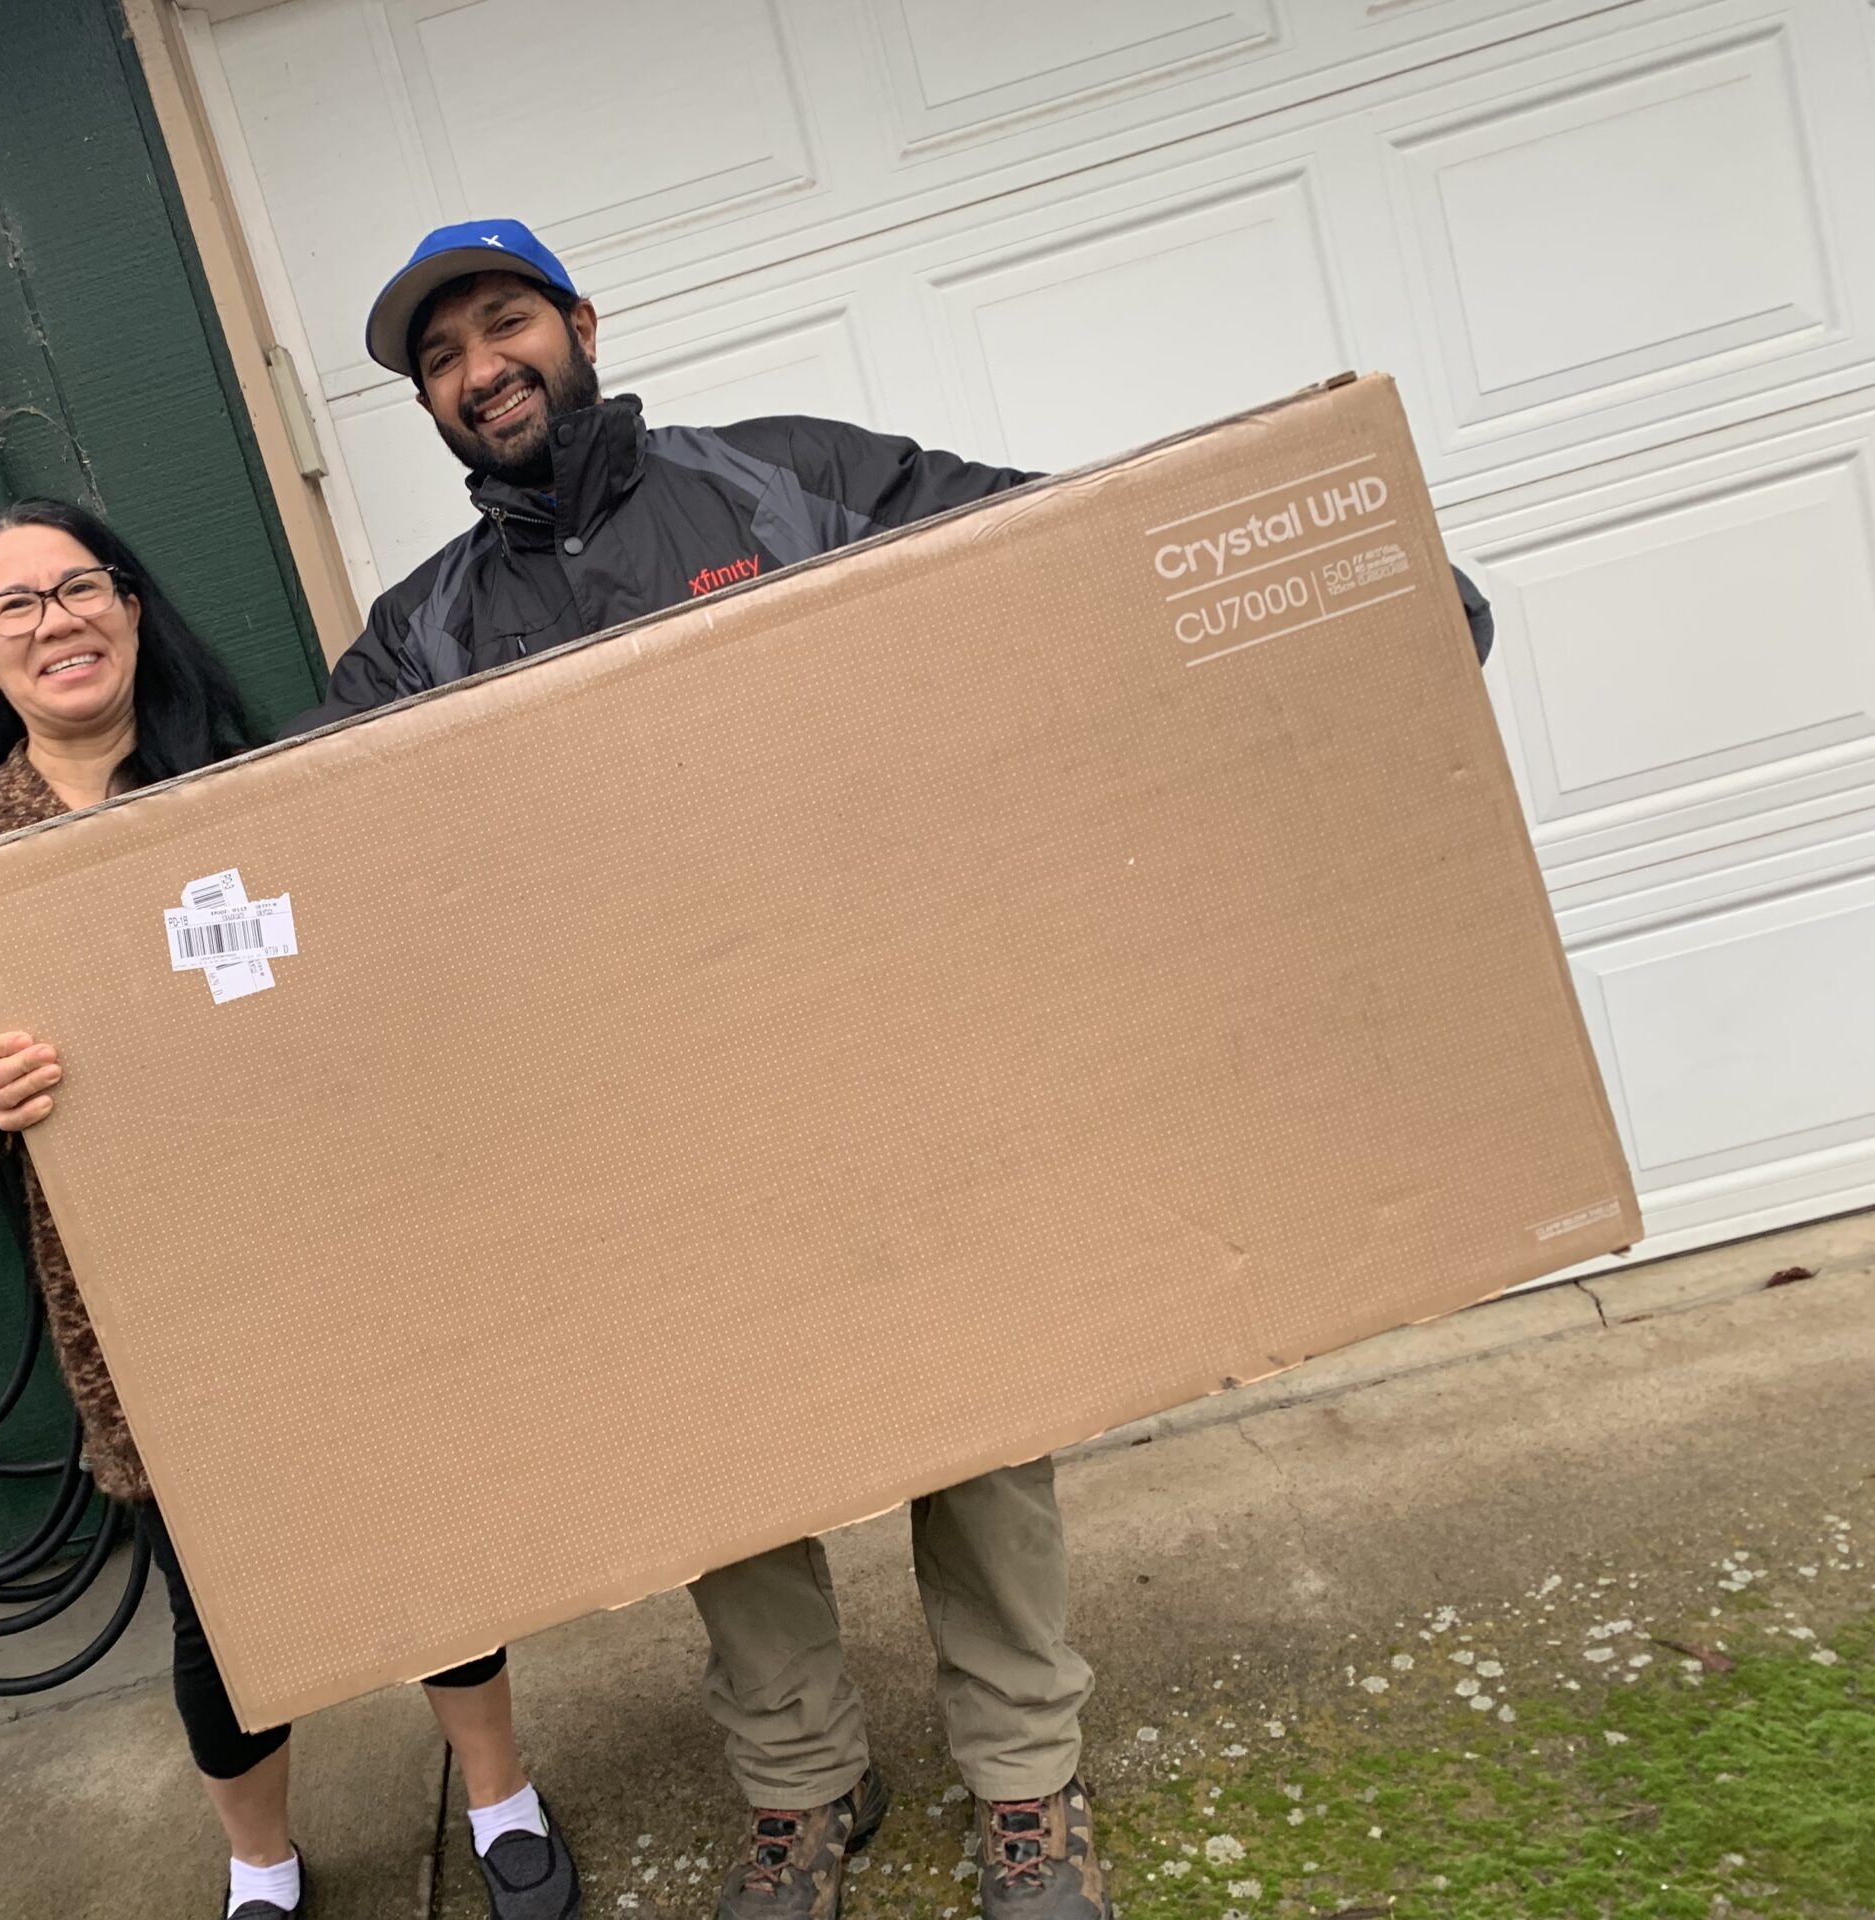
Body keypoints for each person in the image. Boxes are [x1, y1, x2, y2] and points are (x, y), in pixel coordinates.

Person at [290, 220, 1496, 1920]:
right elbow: (292, 873)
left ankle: (1026, 1785)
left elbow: (1061, 555)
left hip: (900, 1063)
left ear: (576, 322)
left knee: (981, 1408)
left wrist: (1357, 601)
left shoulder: (794, 483)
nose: (480, 370)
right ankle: (800, 1789)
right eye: (440, 357)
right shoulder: (415, 638)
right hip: (647, 1131)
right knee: (728, 1459)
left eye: (504, 326)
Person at [0, 497, 581, 1920]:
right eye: (17, 606)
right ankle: (261, 1859)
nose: (56, 619)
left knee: (421, 1532)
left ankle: (499, 1796)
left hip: (330, 1243)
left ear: (133, 609)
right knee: (221, 1603)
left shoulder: (243, 786)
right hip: (144, 1313)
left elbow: (378, 992)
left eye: (81, 587)